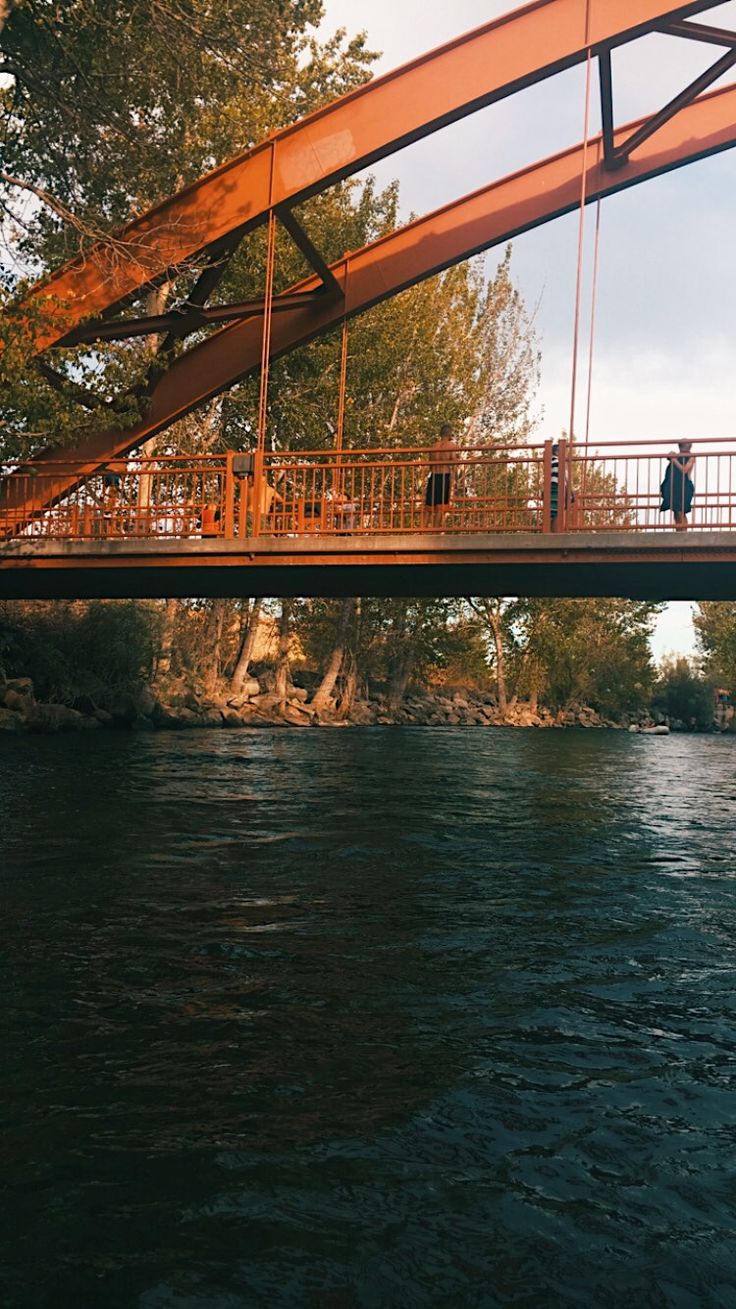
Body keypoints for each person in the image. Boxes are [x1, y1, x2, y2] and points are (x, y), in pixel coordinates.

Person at [423, 423, 456, 529]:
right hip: (444, 476)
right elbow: (454, 463)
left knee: (429, 506)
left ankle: (422, 530)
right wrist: (455, 481)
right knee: (440, 507)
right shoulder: (451, 446)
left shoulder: (434, 446)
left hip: (433, 476)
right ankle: (435, 531)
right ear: (450, 433)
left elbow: (430, 464)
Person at [660, 441, 695, 531]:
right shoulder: (677, 456)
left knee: (681, 510)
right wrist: (672, 457)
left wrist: (674, 460)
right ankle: (679, 531)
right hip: (674, 486)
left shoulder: (691, 457)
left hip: (684, 486)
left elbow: (684, 470)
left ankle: (684, 533)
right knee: (675, 510)